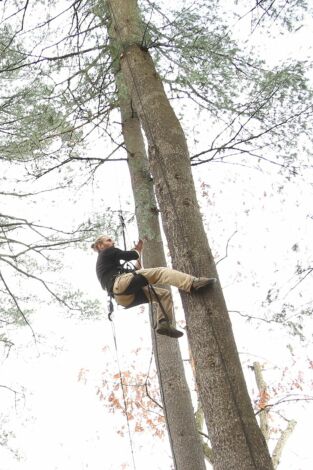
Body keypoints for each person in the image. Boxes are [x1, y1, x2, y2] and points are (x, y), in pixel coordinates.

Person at [91, 235, 216, 338]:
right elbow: (131, 255)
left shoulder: (108, 266)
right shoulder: (107, 252)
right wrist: (136, 251)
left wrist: (139, 251)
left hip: (122, 297)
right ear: (100, 246)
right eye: (108, 240)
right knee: (161, 271)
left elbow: (137, 270)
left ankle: (164, 323)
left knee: (163, 295)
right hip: (120, 285)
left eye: (112, 240)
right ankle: (192, 283)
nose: (112, 242)